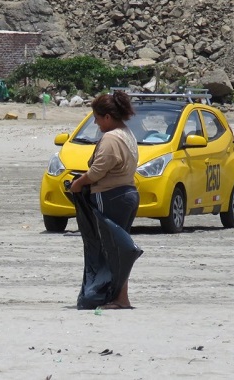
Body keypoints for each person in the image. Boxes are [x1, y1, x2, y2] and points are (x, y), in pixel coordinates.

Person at [68, 91, 140, 309]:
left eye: (97, 118)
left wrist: (78, 183)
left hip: (110, 196)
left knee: (111, 249)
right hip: (127, 193)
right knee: (119, 249)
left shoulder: (111, 138)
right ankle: (119, 297)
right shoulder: (127, 133)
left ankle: (118, 298)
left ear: (107, 117)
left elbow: (98, 171)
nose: (96, 123)